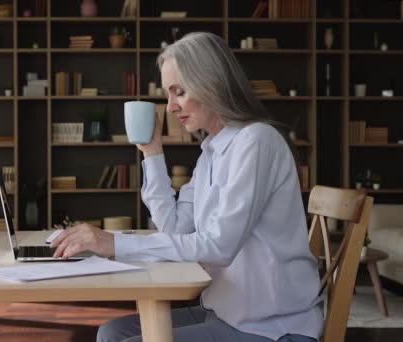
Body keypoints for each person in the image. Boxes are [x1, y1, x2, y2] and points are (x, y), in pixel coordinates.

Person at [51, 32, 323, 342]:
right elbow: (176, 230)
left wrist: (115, 243)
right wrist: (152, 152)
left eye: (178, 91)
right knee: (111, 332)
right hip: (225, 312)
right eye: (168, 94)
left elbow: (220, 246)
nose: (169, 107)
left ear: (211, 83)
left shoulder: (256, 141)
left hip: (271, 327)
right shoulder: (211, 150)